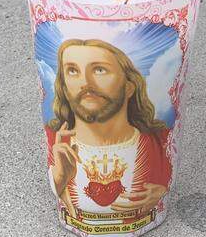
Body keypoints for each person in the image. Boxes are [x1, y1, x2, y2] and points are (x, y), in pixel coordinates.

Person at [46, 39, 170, 223]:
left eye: (99, 70)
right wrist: (59, 179)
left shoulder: (161, 142)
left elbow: (167, 175)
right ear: (64, 88)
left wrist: (163, 190)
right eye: (72, 71)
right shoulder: (54, 141)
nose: (85, 83)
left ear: (129, 86)